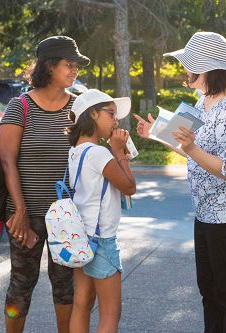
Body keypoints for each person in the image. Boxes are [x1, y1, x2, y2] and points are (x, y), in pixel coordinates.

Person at [134, 32, 226, 333]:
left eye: (189, 64)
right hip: (206, 212)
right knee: (210, 291)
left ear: (205, 67)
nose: (184, 69)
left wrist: (190, 148)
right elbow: (190, 147)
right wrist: (157, 133)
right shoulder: (204, 101)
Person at [0, 35, 90, 333]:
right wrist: (20, 211)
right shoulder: (20, 106)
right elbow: (8, 161)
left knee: (65, 287)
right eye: (69, 64)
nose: (75, 69)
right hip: (25, 214)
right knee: (21, 284)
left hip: (66, 217)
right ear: (49, 66)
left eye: (76, 65)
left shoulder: (78, 107)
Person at [66, 89, 136, 333]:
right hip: (102, 241)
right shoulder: (99, 153)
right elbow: (129, 186)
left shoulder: (76, 151)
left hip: (83, 237)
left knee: (81, 305)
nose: (116, 121)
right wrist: (119, 152)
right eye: (111, 114)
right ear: (92, 114)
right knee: (110, 313)